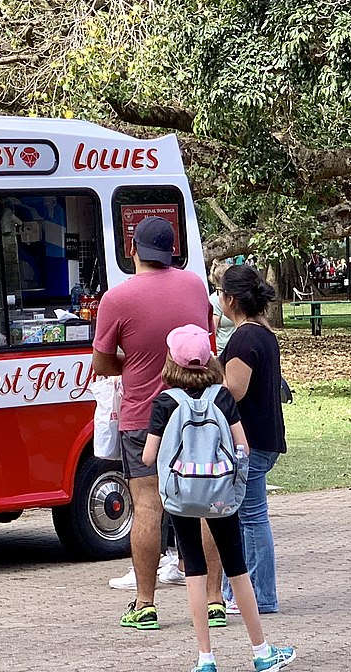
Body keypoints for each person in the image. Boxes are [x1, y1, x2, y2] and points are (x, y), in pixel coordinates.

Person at [93, 216, 224, 630]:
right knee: (206, 503)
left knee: (147, 505)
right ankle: (215, 601)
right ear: (171, 251)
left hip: (141, 417)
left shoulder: (117, 298)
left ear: (133, 249)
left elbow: (101, 363)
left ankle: (146, 604)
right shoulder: (194, 286)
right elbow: (205, 345)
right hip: (196, 413)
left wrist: (132, 361)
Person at [141, 325, 296, 672]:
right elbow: (243, 446)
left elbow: (149, 457)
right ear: (210, 359)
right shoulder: (222, 398)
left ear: (171, 361)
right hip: (220, 494)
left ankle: (205, 658)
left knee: (193, 568)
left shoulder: (165, 402)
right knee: (236, 567)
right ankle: (261, 650)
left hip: (182, 495)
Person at [219, 265, 287, 614]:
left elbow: (234, 389)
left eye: (220, 293)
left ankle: (260, 595)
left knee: (251, 518)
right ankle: (244, 592)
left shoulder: (244, 338)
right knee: (248, 517)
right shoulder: (264, 333)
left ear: (230, 299)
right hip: (265, 437)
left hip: (252, 440)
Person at [208, 260, 236, 353]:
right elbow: (212, 332)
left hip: (236, 348)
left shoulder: (235, 296)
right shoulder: (215, 300)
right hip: (222, 353)